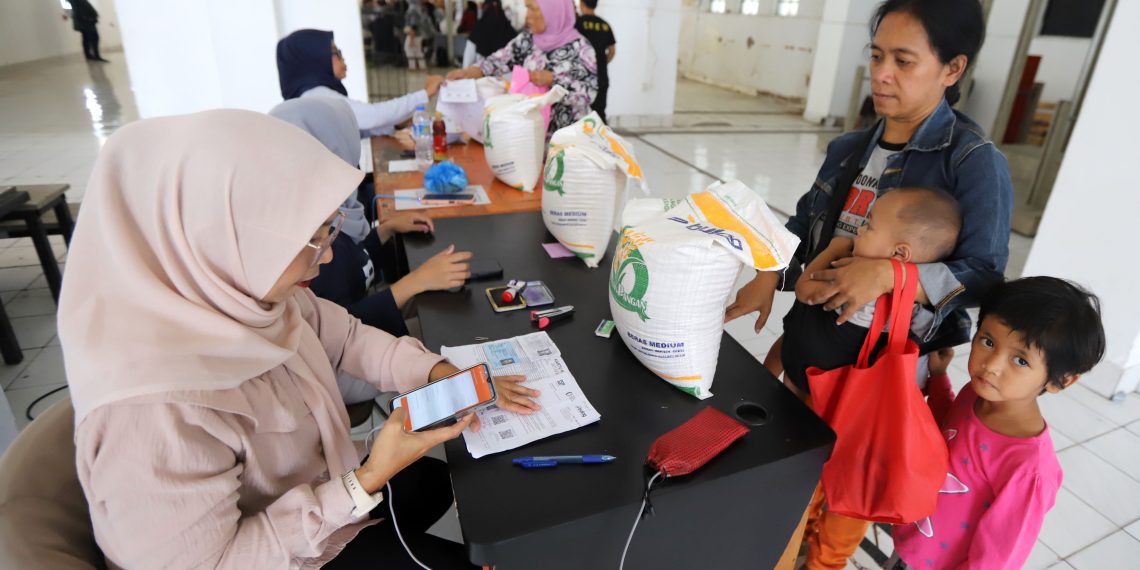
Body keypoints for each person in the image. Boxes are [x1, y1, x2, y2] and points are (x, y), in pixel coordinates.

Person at [60, 109, 540, 569]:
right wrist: (364, 481)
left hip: (324, 494)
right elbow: (218, 562)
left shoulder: (246, 293)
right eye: (312, 239)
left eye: (329, 230)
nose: (327, 257)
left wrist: (438, 373)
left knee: (451, 480)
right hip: (291, 551)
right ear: (224, 238)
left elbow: (348, 339)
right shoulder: (150, 412)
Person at [721, 1, 1012, 568]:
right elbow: (803, 227)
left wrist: (890, 273)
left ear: (953, 68)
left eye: (904, 61)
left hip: (877, 376)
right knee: (791, 485)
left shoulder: (973, 162)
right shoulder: (849, 149)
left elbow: (984, 276)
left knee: (846, 497)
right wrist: (769, 274)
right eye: (877, 56)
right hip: (812, 352)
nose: (881, 74)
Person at [887, 277, 1105, 569]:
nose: (991, 366)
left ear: (1060, 381)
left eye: (1021, 360)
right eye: (988, 342)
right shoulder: (977, 393)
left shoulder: (1029, 471)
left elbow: (996, 559)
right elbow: (949, 432)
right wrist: (938, 381)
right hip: (912, 542)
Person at [268, 97, 473, 404]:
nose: (327, 254)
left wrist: (383, 232)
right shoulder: (300, 247)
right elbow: (347, 328)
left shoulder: (335, 216)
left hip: (360, 342)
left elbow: (355, 268)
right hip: (342, 371)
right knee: (445, 339)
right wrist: (414, 282)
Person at [777, 187, 962, 397]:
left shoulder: (856, 281)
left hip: (816, 381)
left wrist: (833, 248)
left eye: (869, 226)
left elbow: (805, 291)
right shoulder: (913, 299)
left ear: (899, 252)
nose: (859, 230)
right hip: (839, 389)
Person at [447, 0, 598, 135]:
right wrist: (470, 71)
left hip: (569, 140)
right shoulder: (527, 40)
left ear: (553, 11)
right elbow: (499, 60)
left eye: (533, 9)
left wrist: (553, 80)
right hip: (531, 137)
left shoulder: (582, 49)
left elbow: (590, 92)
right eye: (527, 8)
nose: (528, 16)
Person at [276, 28, 444, 137]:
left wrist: (396, 124)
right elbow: (373, 116)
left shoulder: (311, 95)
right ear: (315, 58)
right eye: (335, 52)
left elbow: (359, 129)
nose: (342, 58)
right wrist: (425, 93)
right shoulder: (316, 97)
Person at [575, 0, 616, 123]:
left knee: (580, 114)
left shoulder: (577, 23)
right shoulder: (605, 25)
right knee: (599, 114)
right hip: (601, 75)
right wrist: (601, 64)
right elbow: (612, 51)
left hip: (582, 76)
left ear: (581, 3)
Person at [464, 0, 518, 68]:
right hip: (506, 73)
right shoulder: (511, 33)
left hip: (480, 72)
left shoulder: (478, 30)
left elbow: (467, 62)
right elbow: (518, 64)